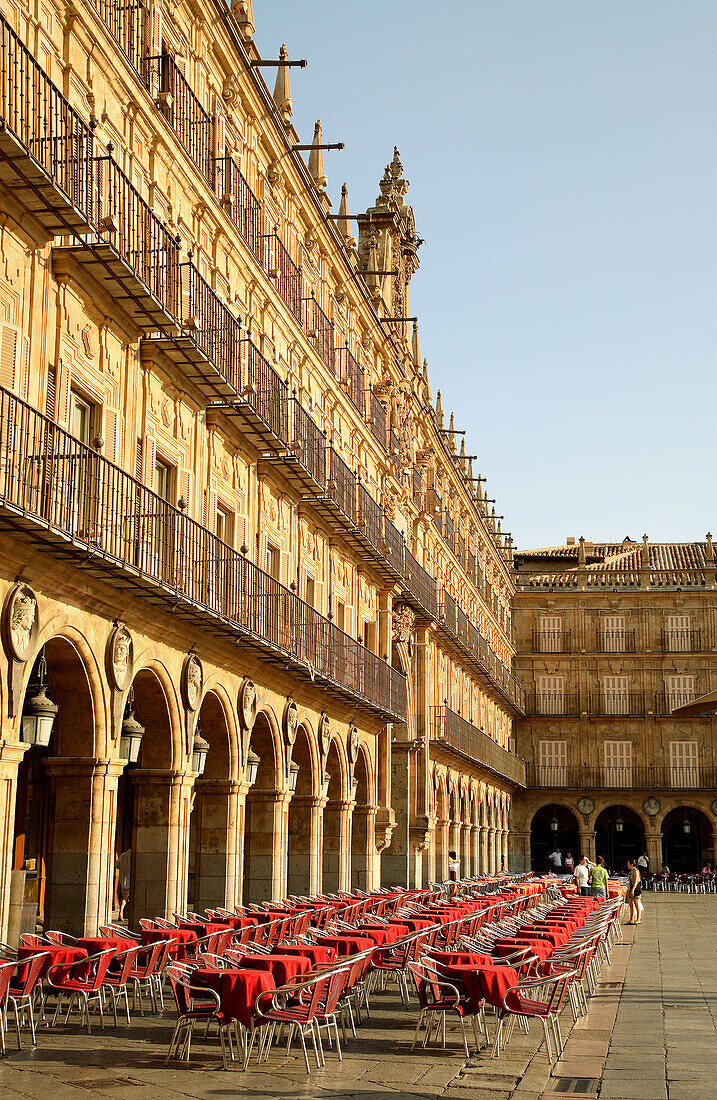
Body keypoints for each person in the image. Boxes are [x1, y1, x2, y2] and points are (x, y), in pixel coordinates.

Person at [625, 857, 643, 924]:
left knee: (636, 903)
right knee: (631, 904)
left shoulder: (636, 871)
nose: (627, 865)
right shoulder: (631, 871)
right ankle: (631, 919)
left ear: (632, 864)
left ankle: (638, 919)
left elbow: (636, 882)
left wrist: (632, 890)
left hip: (636, 889)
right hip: (630, 888)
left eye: (628, 864)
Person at [117, 848, 131, 921]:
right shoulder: (133, 855)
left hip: (124, 880)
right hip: (131, 879)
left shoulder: (123, 855)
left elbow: (117, 865)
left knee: (124, 897)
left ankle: (121, 912)